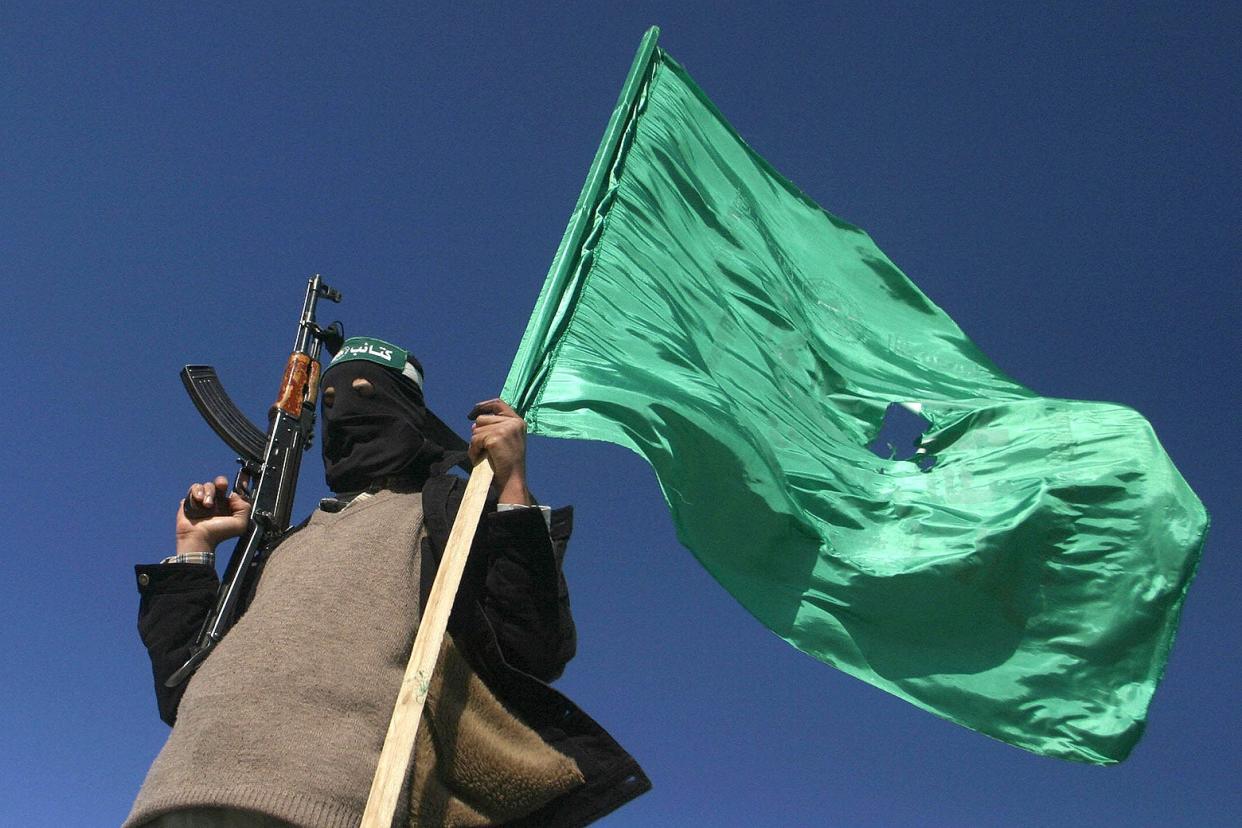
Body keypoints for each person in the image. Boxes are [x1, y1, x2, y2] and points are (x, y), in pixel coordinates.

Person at [127, 337, 649, 827]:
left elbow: (532, 643)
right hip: (170, 800)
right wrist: (194, 551)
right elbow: (180, 688)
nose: (344, 416)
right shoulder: (282, 545)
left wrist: (511, 486)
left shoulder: (448, 514)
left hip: (332, 807)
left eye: (364, 395)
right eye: (328, 402)